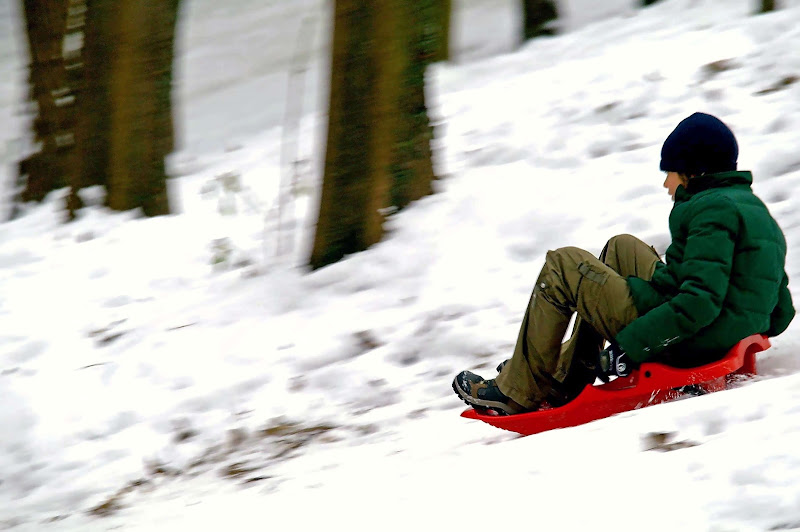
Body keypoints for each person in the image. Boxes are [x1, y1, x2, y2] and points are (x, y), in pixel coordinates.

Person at [453, 112, 795, 415]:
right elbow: (781, 312)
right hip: (715, 331)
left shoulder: (711, 210)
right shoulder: (754, 210)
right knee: (622, 248)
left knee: (564, 265)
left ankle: (517, 392)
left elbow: (699, 303)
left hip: (689, 340)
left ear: (694, 171)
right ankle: (566, 376)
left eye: (671, 172)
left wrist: (632, 346)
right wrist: (741, 325)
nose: (666, 183)